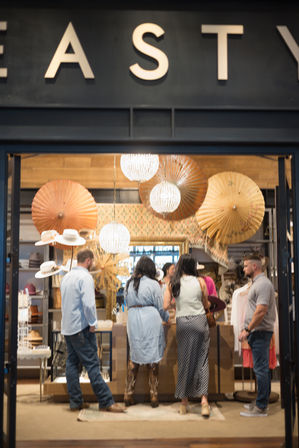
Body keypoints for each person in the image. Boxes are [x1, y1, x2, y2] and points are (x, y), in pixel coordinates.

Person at [60, 249, 125, 412]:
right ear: (88, 260)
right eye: (93, 261)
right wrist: (93, 323)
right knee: (92, 364)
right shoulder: (85, 277)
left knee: (72, 364)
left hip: (68, 327)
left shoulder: (66, 277)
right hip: (81, 327)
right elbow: (89, 304)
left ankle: (75, 402)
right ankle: (106, 401)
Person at [163, 254, 210, 417]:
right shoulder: (200, 282)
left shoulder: (173, 284)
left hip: (183, 323)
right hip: (200, 321)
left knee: (185, 361)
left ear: (180, 265)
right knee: (202, 361)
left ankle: (184, 403)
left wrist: (177, 303)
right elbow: (206, 304)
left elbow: (165, 305)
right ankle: (204, 403)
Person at [124, 256, 169, 408]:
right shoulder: (154, 284)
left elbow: (125, 302)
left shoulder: (129, 283)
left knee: (134, 355)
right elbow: (161, 306)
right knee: (153, 356)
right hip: (151, 319)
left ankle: (128, 394)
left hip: (133, 319)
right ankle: (154, 396)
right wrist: (167, 318)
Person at [239, 253, 276, 417]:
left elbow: (261, 310)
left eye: (246, 265)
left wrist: (247, 330)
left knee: (261, 370)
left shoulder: (263, 284)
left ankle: (261, 407)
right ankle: (262, 400)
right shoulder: (258, 283)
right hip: (257, 331)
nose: (244, 268)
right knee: (262, 369)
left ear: (255, 266)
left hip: (260, 332)